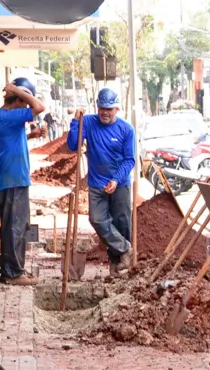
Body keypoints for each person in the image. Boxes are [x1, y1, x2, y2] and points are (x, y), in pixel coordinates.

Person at [69, 88, 137, 277]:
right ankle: (125, 250)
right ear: (97, 107)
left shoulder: (126, 129)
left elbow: (129, 159)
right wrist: (76, 121)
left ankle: (118, 268)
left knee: (122, 223)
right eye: (101, 108)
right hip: (97, 183)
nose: (105, 112)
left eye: (109, 109)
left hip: (120, 183)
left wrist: (116, 179)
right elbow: (73, 145)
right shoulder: (88, 123)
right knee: (97, 219)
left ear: (116, 109)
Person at [0, 78, 45, 285]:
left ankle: (15, 269)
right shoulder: (8, 117)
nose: (28, 107)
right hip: (14, 179)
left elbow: (8, 143)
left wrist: (31, 136)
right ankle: (12, 273)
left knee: (16, 225)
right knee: (16, 227)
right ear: (19, 99)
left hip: (9, 179)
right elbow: (40, 107)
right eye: (25, 101)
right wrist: (18, 91)